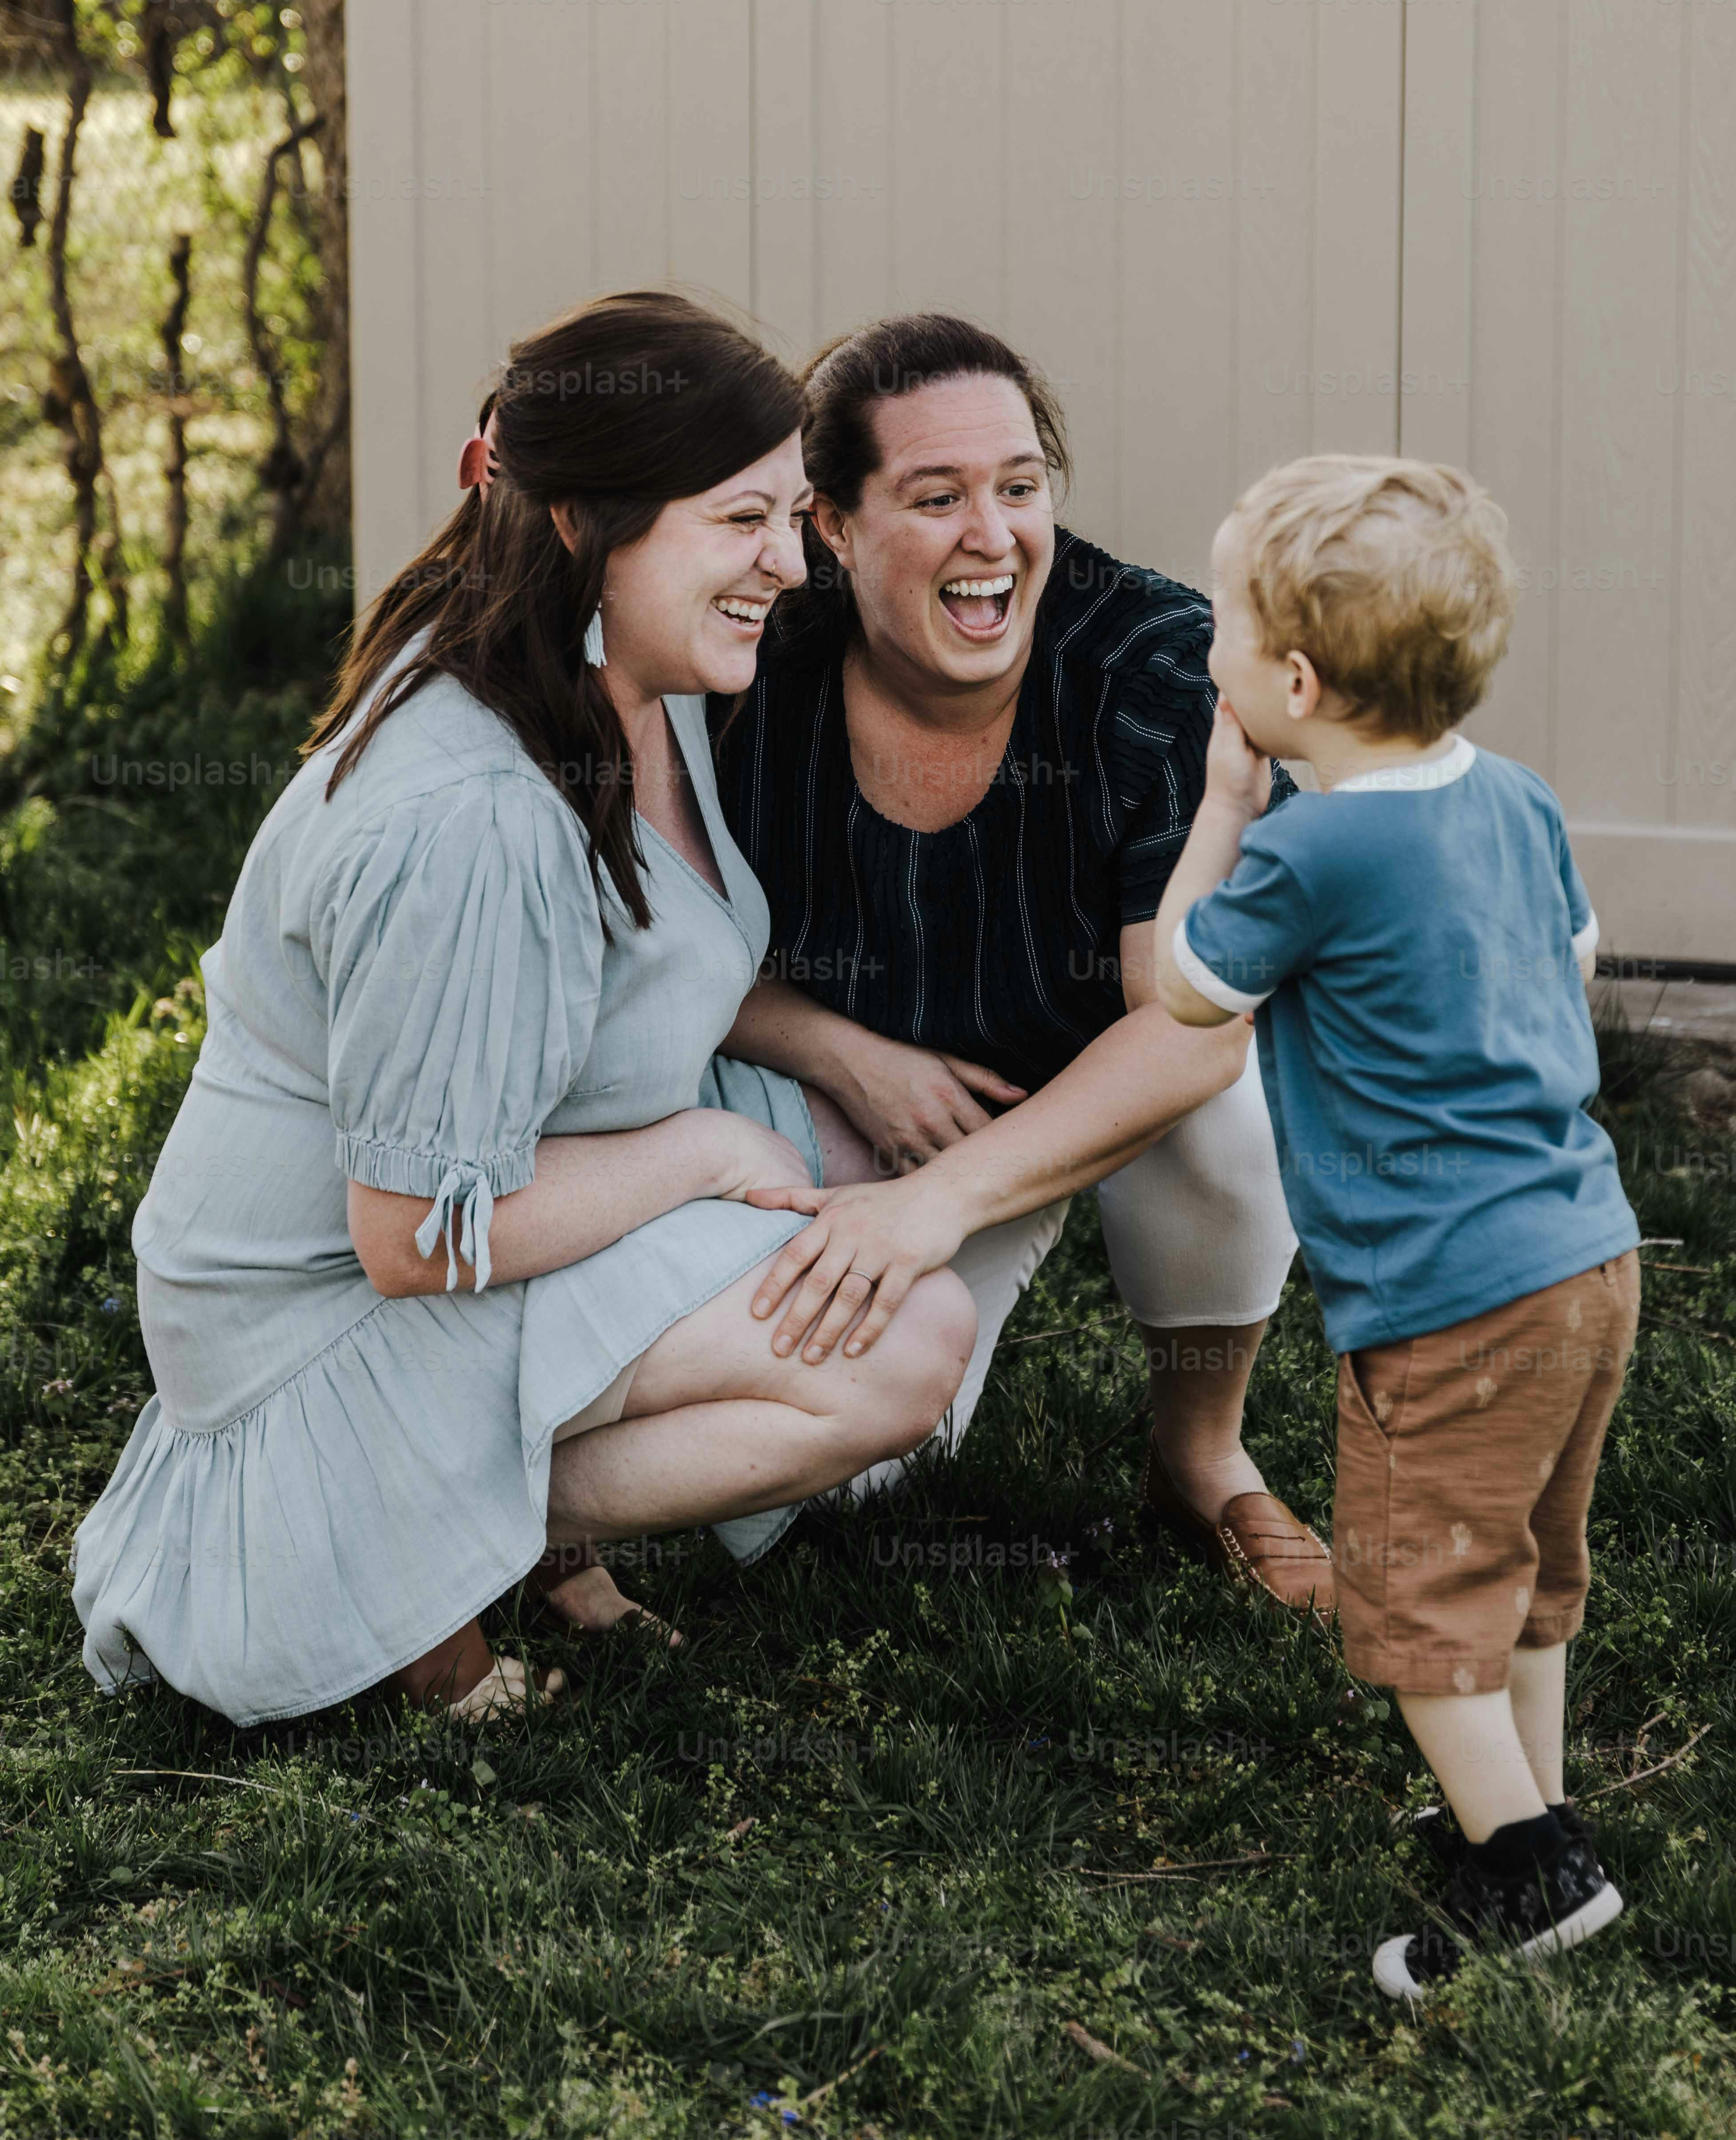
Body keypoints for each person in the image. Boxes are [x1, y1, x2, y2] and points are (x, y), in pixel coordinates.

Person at [71, 292, 975, 1728]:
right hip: (326, 1318)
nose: (788, 566)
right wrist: (701, 1157)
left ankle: (541, 1544)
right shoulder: (474, 816)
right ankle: (398, 1555)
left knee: (864, 1178)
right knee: (901, 1341)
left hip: (471, 1212)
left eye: (790, 517)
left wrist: (837, 1058)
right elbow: (407, 1236)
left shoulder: (624, 671)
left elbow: (650, 967)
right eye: (739, 522)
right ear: (584, 524)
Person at [710, 314, 1332, 1609]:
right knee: (815, 1487)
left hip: (1104, 1085)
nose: (990, 537)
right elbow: (653, 949)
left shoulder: (1155, 664)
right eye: (934, 498)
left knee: (1229, 1112)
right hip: (858, 1103)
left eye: (1017, 488)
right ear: (829, 524)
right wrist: (842, 1054)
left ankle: (1199, 1454)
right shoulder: (746, 658)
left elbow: (1193, 1023)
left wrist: (944, 1205)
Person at [1154, 452, 1640, 1998]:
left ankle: (1532, 1884)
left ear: (1292, 680)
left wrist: (1224, 812)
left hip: (1445, 1299)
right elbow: (1565, 966)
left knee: (1417, 1598)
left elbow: (1181, 986)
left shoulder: (1310, 848)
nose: (1205, 647)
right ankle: (1524, 1802)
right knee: (1527, 1570)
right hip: (1586, 1255)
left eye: (1222, 622)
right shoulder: (1513, 794)